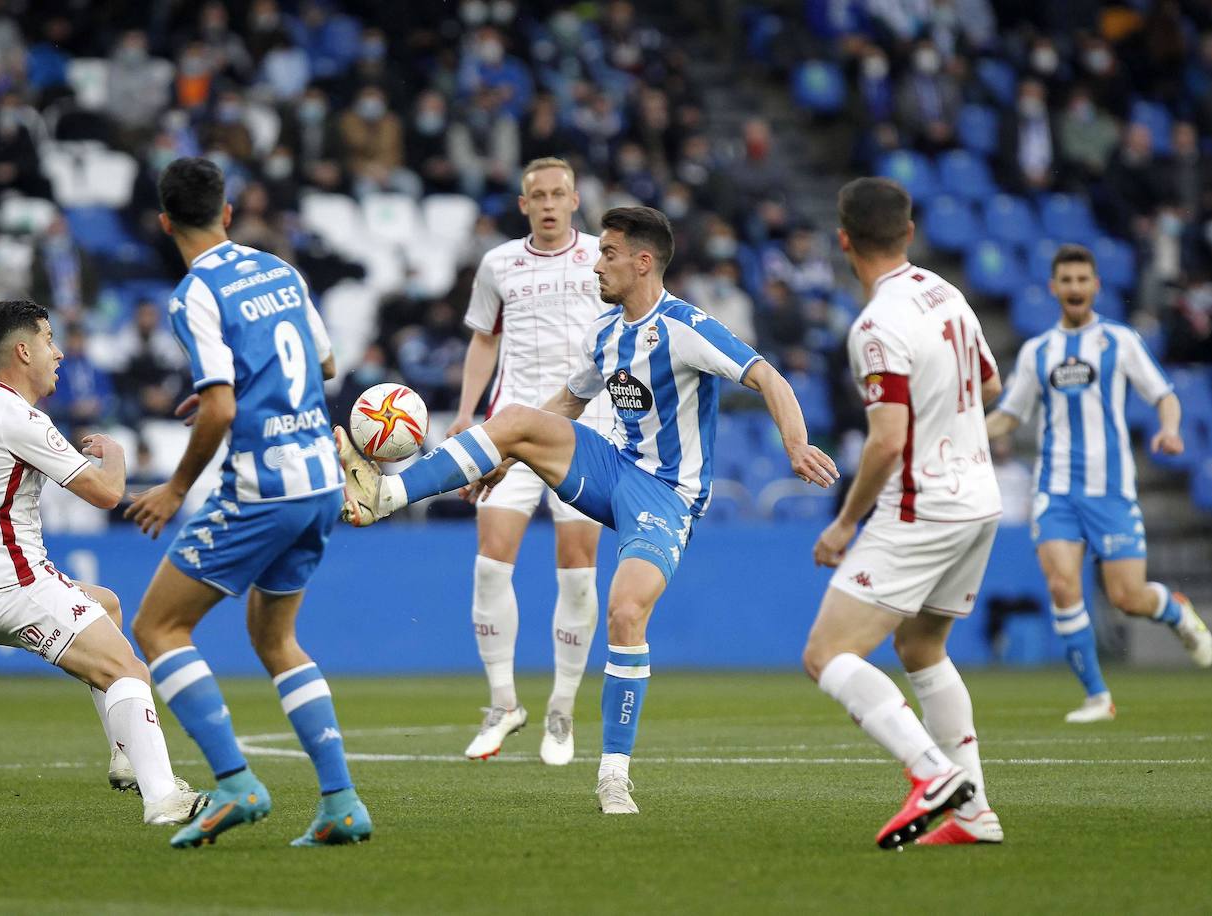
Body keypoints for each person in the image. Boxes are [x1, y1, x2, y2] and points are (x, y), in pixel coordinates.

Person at [335, 206, 837, 814]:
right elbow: (566, 403)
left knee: (626, 613)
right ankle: (384, 496)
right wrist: (503, 455)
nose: (597, 264)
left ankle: (613, 774)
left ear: (642, 262)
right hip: (613, 470)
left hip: (667, 494)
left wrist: (794, 441)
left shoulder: (685, 327)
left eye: (609, 254)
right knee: (518, 418)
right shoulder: (606, 334)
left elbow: (769, 378)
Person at [125, 157, 371, 849]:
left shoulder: (195, 294)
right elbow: (323, 365)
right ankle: (341, 802)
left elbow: (223, 408)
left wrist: (175, 487)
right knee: (274, 639)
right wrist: (220, 393)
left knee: (158, 629)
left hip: (265, 488)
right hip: (322, 480)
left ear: (165, 222)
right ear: (227, 213)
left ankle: (235, 782)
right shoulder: (279, 270)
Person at [0, 299, 206, 827]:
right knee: (129, 669)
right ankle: (163, 798)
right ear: (23, 350)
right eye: (49, 340)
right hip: (14, 584)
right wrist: (117, 454)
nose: (59, 353)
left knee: (108, 606)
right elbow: (105, 493)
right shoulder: (19, 418)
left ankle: (125, 757)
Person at [803, 177, 1004, 849]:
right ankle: (975, 815)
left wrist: (843, 524)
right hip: (979, 499)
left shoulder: (874, 325)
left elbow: (887, 440)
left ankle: (931, 773)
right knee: (921, 646)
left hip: (924, 506)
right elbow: (991, 382)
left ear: (843, 240)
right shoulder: (947, 293)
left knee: (827, 652)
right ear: (909, 232)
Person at [985, 244, 1212, 724]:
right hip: (1056, 489)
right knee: (1062, 584)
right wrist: (965, 431)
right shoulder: (1037, 351)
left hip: (1111, 489)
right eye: (1065, 280)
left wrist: (1169, 430)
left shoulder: (1119, 340)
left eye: (1081, 280)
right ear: (1053, 288)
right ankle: (1096, 696)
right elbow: (1009, 416)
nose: (1073, 288)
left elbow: (1164, 395)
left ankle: (1174, 609)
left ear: (1095, 286)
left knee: (1127, 598)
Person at [448, 157, 616, 765]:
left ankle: (563, 710)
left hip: (587, 431)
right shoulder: (498, 264)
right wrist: (467, 412)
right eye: (537, 196)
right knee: (491, 567)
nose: (548, 204)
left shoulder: (604, 256)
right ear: (523, 205)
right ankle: (503, 704)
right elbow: (484, 339)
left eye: (558, 194)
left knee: (576, 569)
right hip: (511, 431)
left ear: (575, 200)